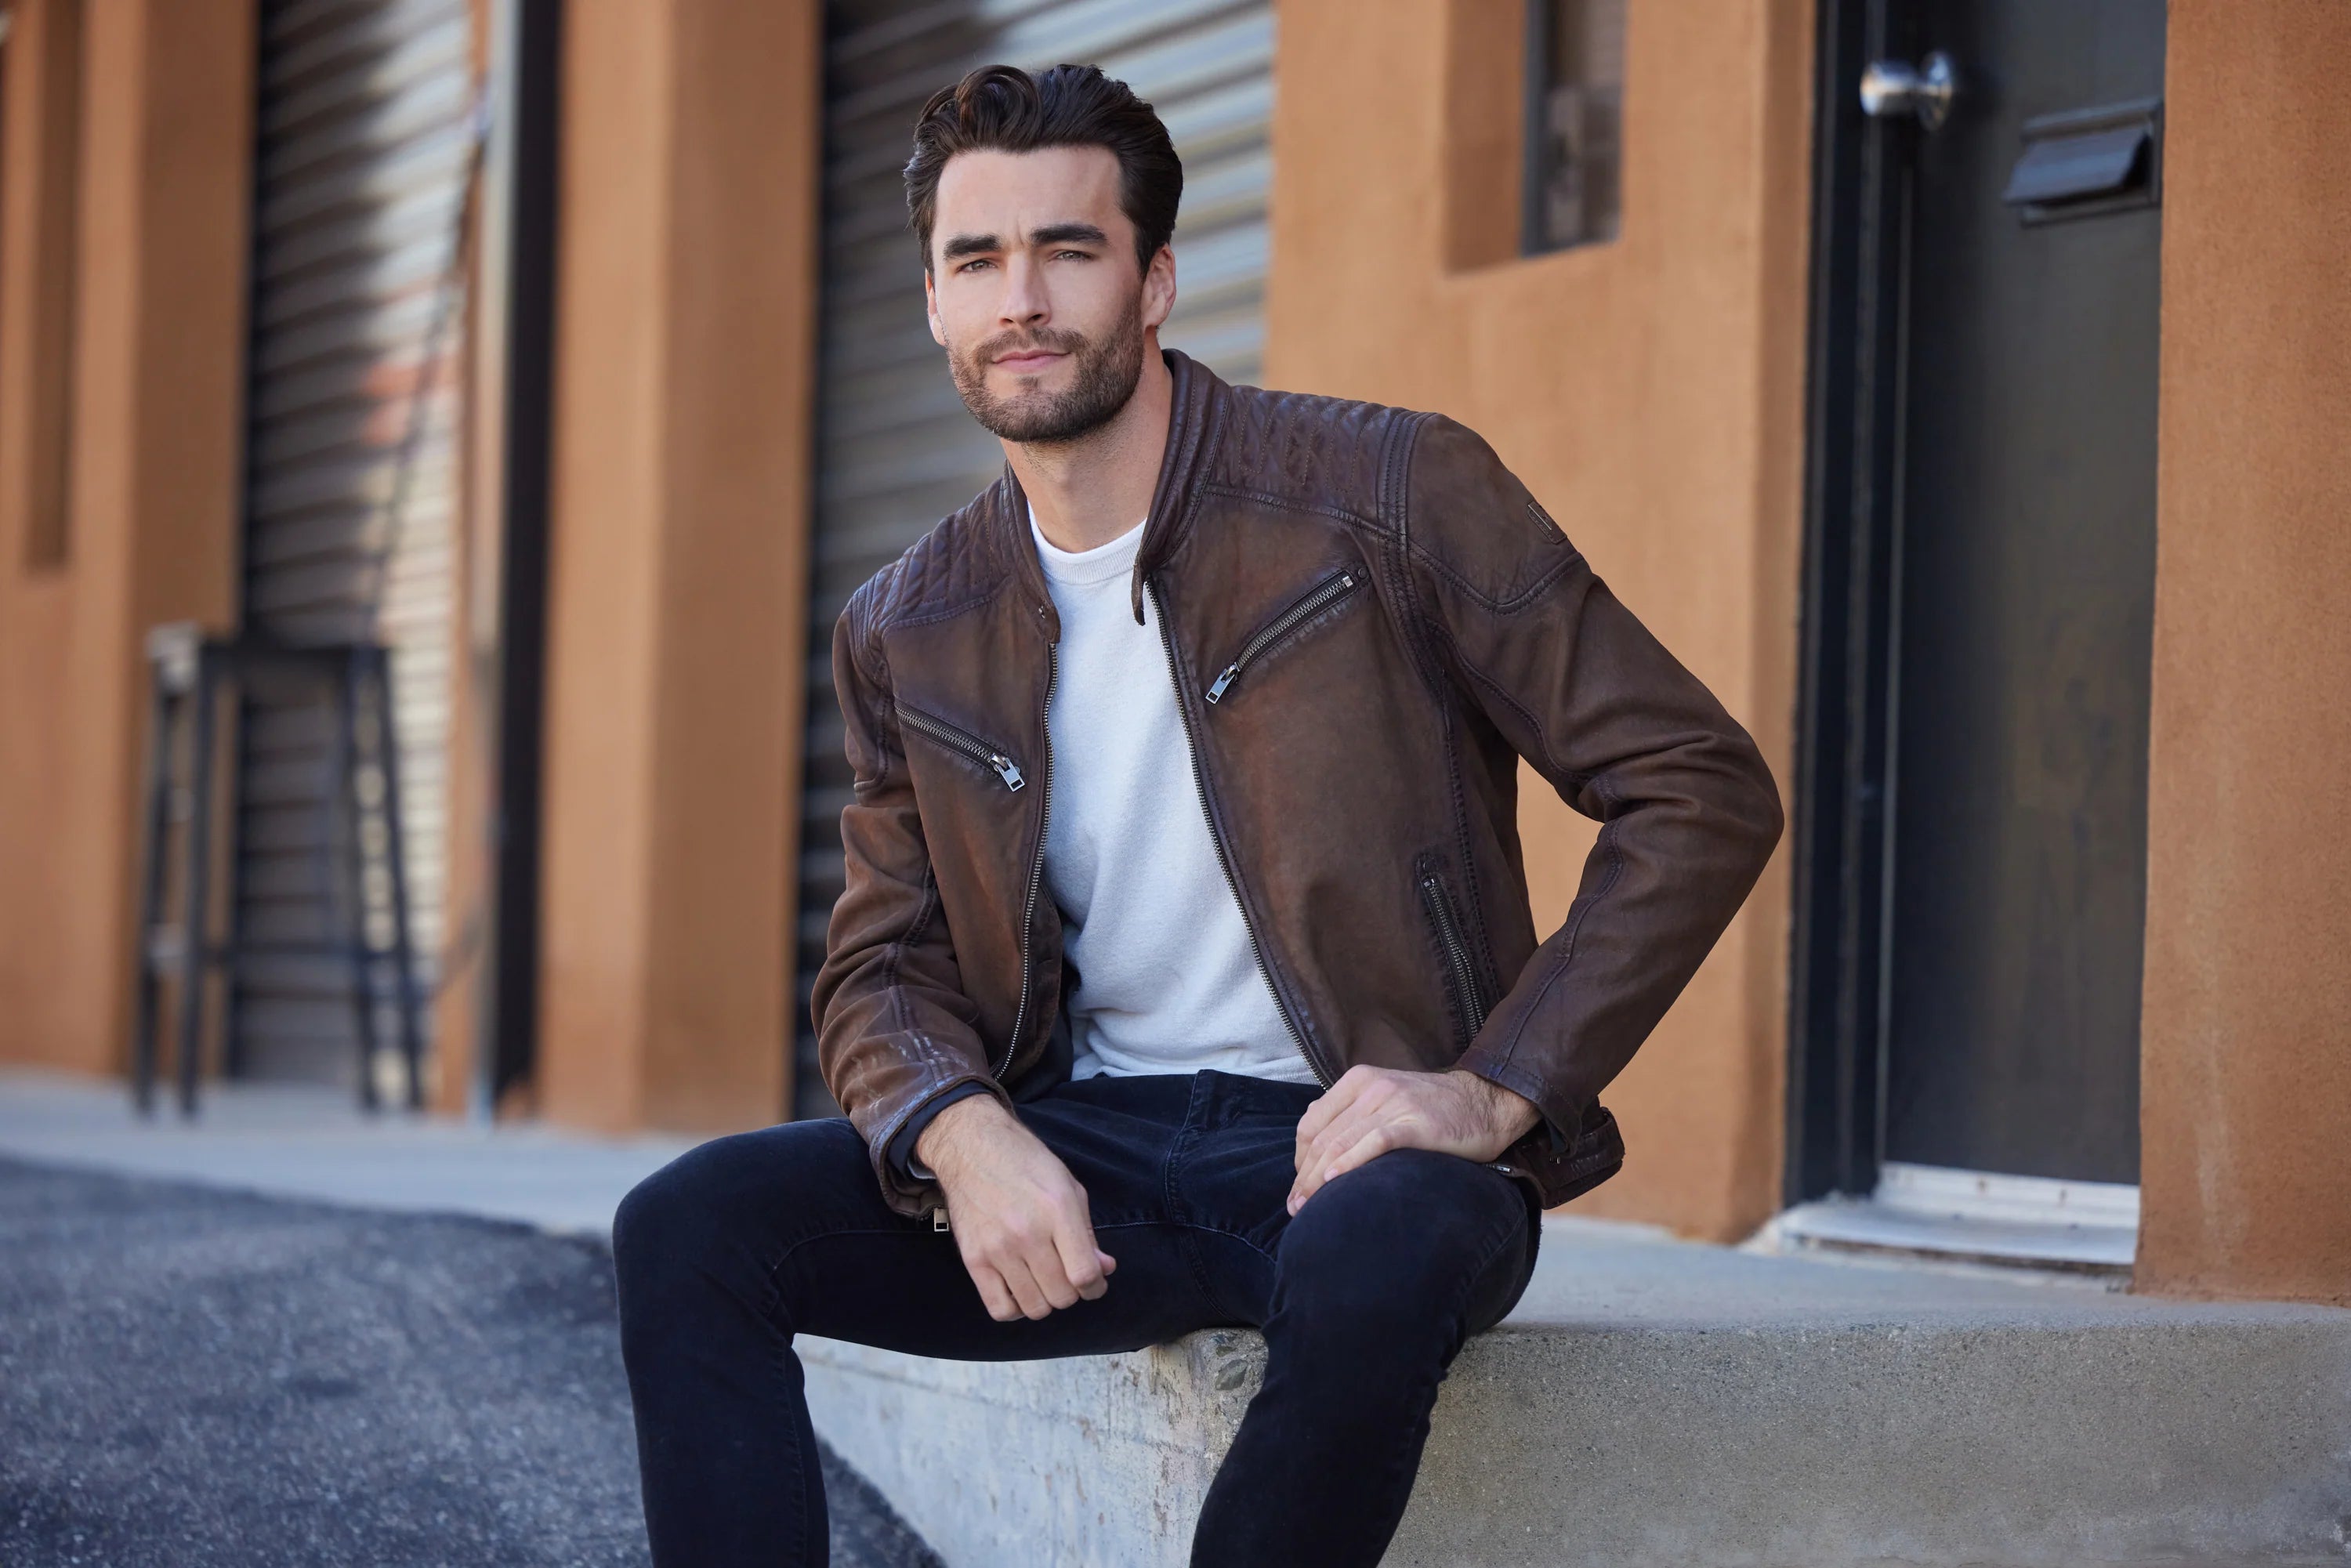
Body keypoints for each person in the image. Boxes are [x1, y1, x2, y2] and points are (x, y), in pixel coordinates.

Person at [611, 61, 1782, 1568]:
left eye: (1069, 250)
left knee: (1376, 1249)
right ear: (933, 303)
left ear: (1156, 281)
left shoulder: (1389, 490)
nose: (1020, 297)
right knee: (689, 1228)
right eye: (978, 260)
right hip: (1088, 1155)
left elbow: (1697, 784)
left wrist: (1489, 1092)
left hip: (1364, 1159)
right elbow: (880, 966)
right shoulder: (911, 621)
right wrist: (962, 1133)